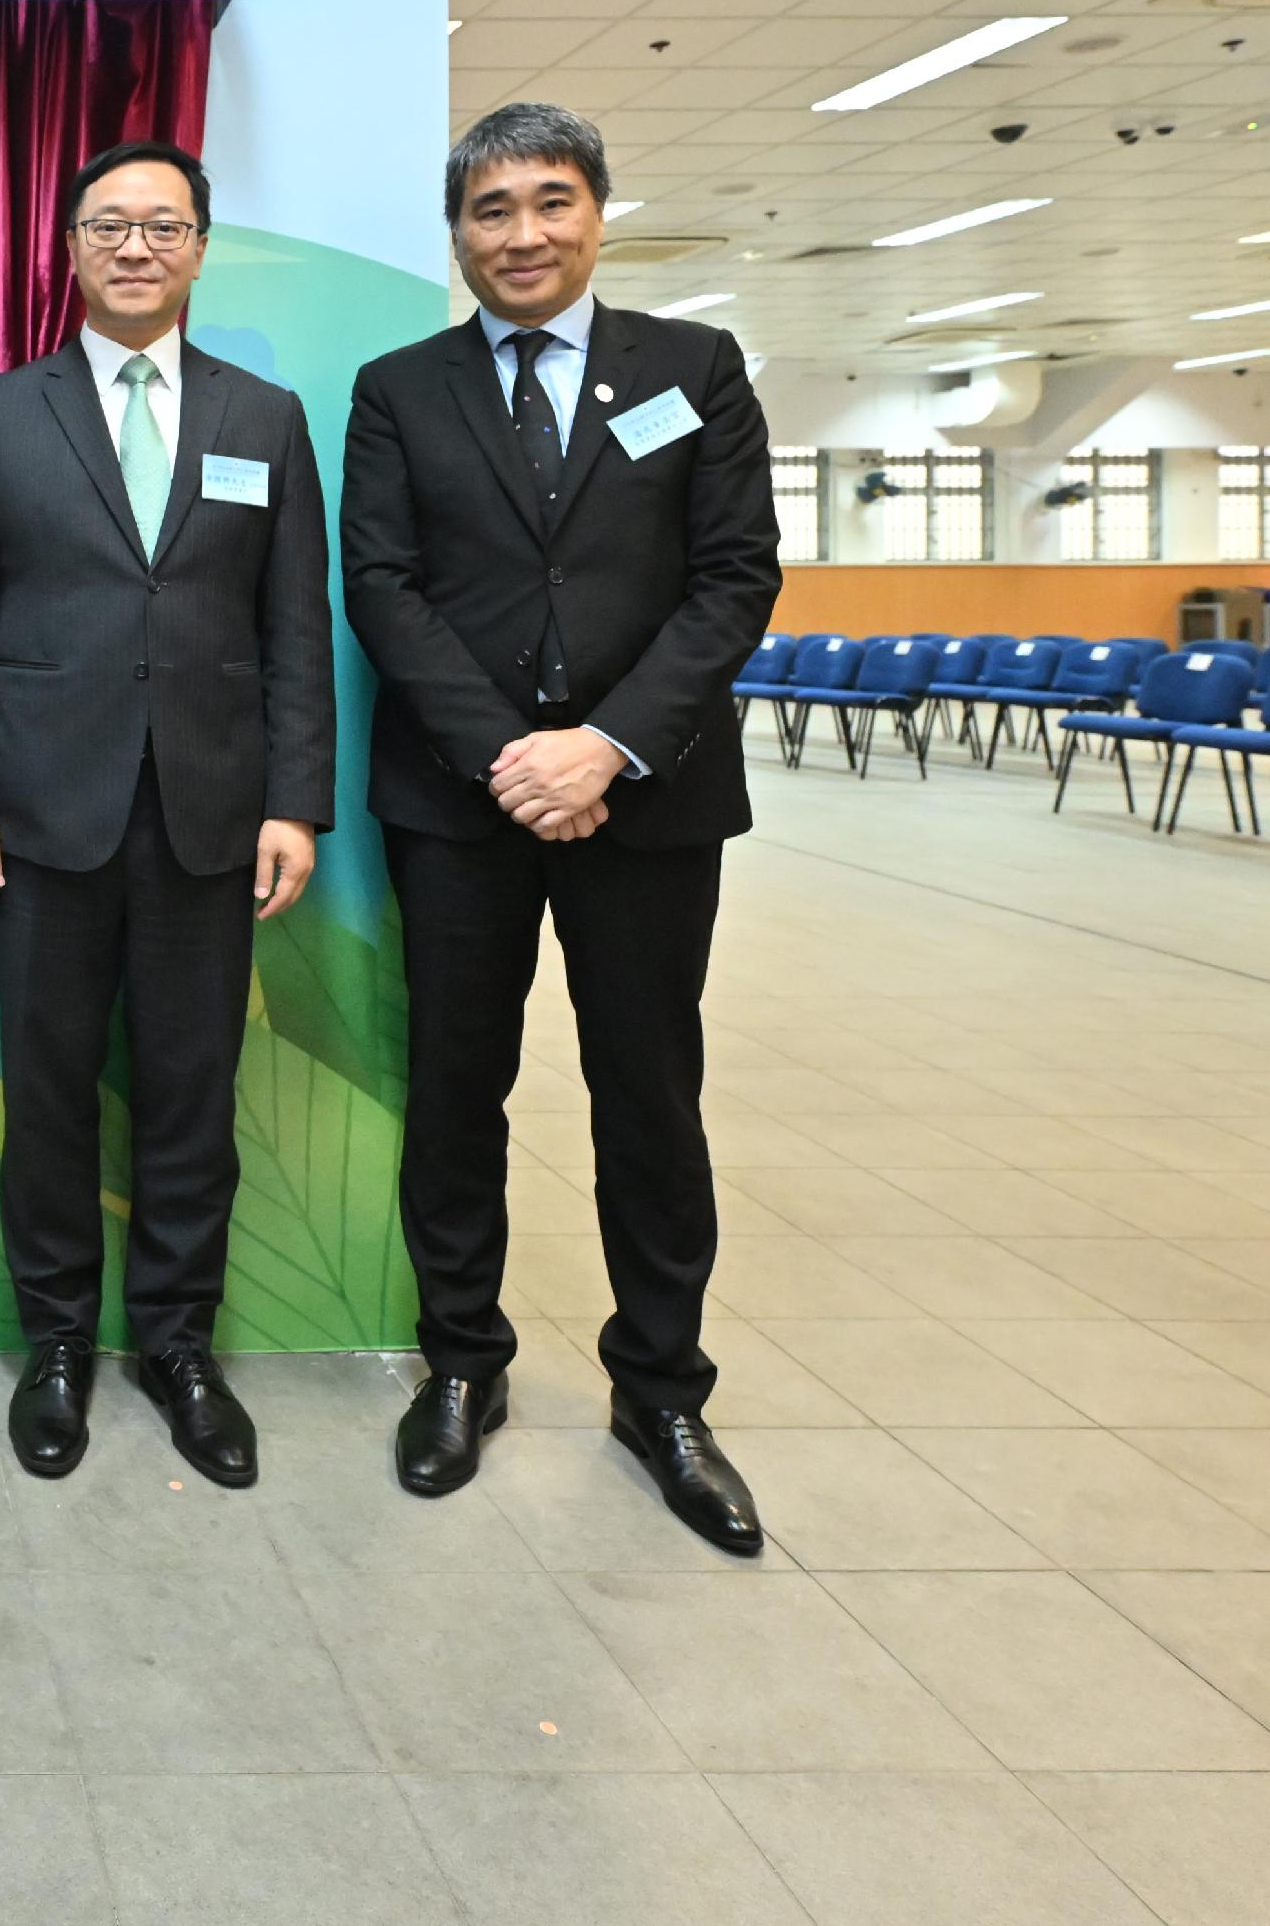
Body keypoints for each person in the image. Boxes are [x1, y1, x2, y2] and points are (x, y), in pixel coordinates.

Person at [341, 102, 781, 1554]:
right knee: (458, 1089)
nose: (521, 235)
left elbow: (734, 578)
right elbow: (385, 588)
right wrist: (509, 758)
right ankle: (464, 1362)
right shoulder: (401, 390)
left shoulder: (695, 370)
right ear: (457, 231)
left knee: (648, 1098)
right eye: (490, 210)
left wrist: (603, 747)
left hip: (646, 801)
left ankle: (661, 1391)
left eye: (550, 203)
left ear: (599, 212)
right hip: (461, 805)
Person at [0, 140, 335, 1488]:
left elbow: (294, 631)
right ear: (72, 248)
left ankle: (176, 1343)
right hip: (37, 817)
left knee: (189, 1095)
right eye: (111, 224)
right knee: (46, 1094)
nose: (137, 246)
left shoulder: (264, 418)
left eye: (164, 224)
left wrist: (297, 804)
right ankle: (55, 1346)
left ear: (202, 247)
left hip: (211, 818)